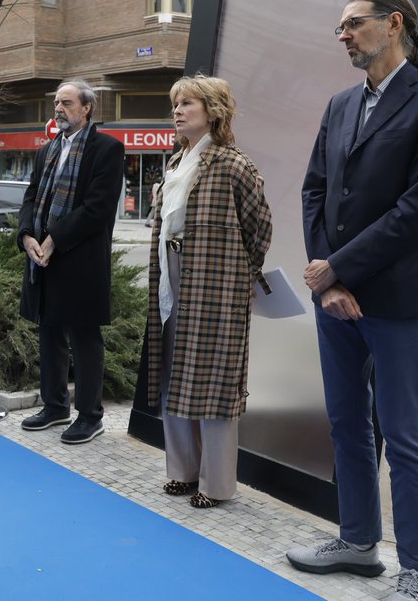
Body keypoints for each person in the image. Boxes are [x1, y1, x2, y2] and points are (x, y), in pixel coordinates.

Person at [288, 0, 418, 601]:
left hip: (393, 299)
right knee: (345, 425)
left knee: (402, 433)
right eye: (338, 26)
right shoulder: (340, 104)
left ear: (392, 25)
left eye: (352, 24)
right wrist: (328, 279)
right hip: (335, 300)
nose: (342, 35)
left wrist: (338, 268)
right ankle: (359, 543)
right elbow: (314, 189)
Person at [143, 75, 272, 509]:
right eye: (175, 104)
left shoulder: (234, 164)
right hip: (171, 275)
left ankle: (215, 485)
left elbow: (261, 228)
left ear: (213, 110)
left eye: (188, 104)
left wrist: (240, 276)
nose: (177, 111)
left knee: (214, 381)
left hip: (216, 283)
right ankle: (182, 471)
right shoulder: (176, 162)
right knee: (174, 372)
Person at [17, 79, 124, 444]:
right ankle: (55, 405)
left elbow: (97, 209)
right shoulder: (46, 150)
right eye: (56, 104)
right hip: (43, 259)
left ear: (86, 108)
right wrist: (28, 236)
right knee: (49, 331)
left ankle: (90, 415)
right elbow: (31, 197)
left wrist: (54, 239)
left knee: (83, 336)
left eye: (66, 103)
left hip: (79, 260)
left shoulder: (106, 149)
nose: (58, 109)